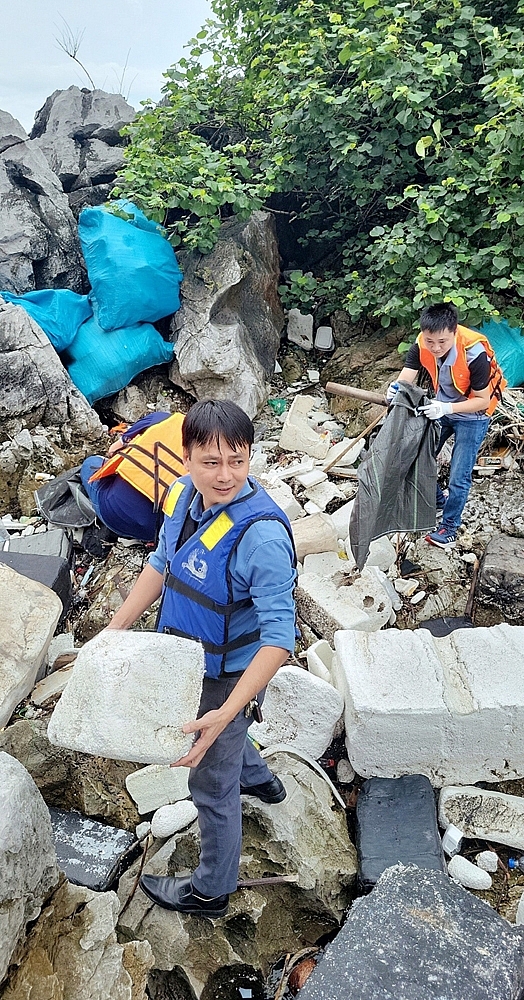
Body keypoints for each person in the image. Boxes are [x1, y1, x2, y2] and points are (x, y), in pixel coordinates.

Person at [105, 399, 297, 918]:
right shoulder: (181, 496)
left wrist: (224, 713)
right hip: (187, 653)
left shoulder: (261, 539)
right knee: (226, 750)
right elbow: (162, 564)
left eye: (237, 460)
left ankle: (212, 889)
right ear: (186, 457)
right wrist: (114, 630)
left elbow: (280, 639)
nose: (225, 475)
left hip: (229, 672)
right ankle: (258, 777)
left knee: (210, 785)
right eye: (210, 461)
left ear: (251, 455)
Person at [388, 303, 506, 548]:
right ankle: (438, 501)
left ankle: (450, 527)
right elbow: (406, 376)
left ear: (454, 332)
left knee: (458, 476)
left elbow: (482, 401)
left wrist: (446, 408)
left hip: (473, 416)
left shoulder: (474, 354)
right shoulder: (423, 343)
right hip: (440, 407)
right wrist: (395, 388)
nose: (436, 348)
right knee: (418, 457)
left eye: (442, 342)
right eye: (431, 341)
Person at [80, 411, 185, 542]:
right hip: (158, 534)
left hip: (113, 514)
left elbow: (112, 450)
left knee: (90, 463)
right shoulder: (208, 460)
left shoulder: (162, 419)